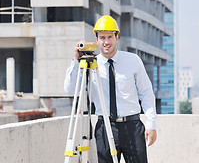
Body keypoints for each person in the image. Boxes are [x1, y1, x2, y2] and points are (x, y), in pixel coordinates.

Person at [64, 15, 157, 163]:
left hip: (132, 126)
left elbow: (146, 92)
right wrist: (76, 61)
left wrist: (151, 124)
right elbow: (70, 89)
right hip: (104, 128)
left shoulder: (133, 60)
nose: (106, 42)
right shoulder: (90, 64)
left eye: (109, 37)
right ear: (96, 40)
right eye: (102, 38)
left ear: (117, 37)